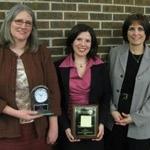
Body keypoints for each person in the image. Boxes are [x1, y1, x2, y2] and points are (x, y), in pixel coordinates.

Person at [0, 3, 61, 150]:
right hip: (6, 131)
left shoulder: (41, 52)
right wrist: (17, 113)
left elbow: (53, 89)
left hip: (39, 130)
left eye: (28, 23)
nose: (23, 26)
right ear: (9, 23)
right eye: (18, 21)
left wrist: (54, 126)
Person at [54, 24, 111, 150]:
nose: (83, 44)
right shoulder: (59, 67)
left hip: (94, 129)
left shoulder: (100, 66)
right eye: (79, 39)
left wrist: (101, 123)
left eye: (87, 40)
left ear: (92, 44)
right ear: (72, 41)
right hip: (69, 128)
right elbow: (56, 100)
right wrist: (65, 127)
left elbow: (106, 97)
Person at [108, 13, 150, 150]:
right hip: (115, 122)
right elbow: (106, 85)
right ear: (126, 32)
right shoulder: (114, 53)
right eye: (131, 29)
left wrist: (135, 118)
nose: (135, 33)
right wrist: (112, 110)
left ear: (146, 33)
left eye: (140, 29)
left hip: (141, 127)